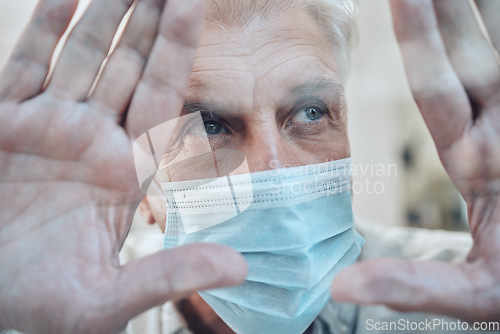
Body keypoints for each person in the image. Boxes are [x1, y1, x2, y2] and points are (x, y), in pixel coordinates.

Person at [0, 0, 498, 333]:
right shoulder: (57, 310)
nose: (274, 173)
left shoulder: (466, 304)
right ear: (143, 193)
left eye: (309, 113)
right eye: (208, 126)